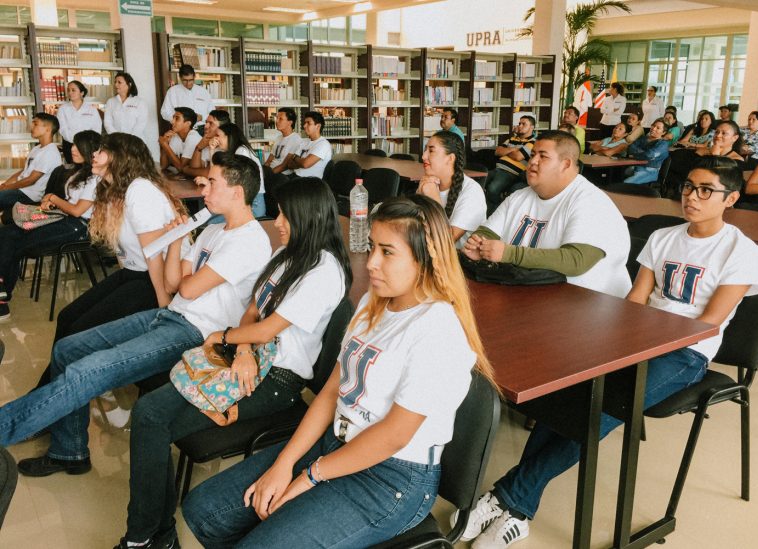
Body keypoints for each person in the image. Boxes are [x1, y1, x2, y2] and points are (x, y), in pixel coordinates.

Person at [461, 156, 758, 548]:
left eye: (706, 190)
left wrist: (640, 342)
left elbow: (707, 322)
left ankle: (508, 497)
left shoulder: (739, 250)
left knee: (599, 410)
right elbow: (635, 300)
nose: (692, 197)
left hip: (686, 354)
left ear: (731, 198)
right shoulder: (663, 237)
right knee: (565, 394)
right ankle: (518, 508)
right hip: (637, 340)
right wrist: (612, 345)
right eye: (689, 186)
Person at [182, 193, 494, 548]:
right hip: (335, 444)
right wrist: (285, 464)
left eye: (387, 252)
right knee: (203, 511)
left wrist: (307, 477)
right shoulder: (372, 303)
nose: (372, 262)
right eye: (372, 247)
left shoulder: (438, 329)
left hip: (391, 478)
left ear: (425, 259)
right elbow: (332, 391)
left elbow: (394, 436)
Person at [114, 177, 350, 549]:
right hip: (247, 359)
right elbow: (254, 309)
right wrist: (239, 350)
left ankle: (145, 537)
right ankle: (152, 535)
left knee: (151, 415)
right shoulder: (287, 253)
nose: (278, 222)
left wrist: (222, 339)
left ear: (307, 217)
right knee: (150, 413)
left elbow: (270, 327)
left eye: (286, 215)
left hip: (277, 380)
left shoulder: (324, 270)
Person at [0, 153, 272, 469]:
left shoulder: (250, 241)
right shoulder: (213, 231)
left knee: (86, 371)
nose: (204, 190)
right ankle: (69, 451)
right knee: (66, 349)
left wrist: (181, 253)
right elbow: (173, 282)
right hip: (170, 316)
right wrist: (177, 239)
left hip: (195, 332)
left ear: (237, 193)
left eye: (212, 183)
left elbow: (188, 288)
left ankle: (6, 427)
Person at [30, 133, 186, 390]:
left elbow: (155, 253)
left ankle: (47, 398)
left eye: (102, 150)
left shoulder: (140, 190)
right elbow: (125, 251)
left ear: (120, 158)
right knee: (67, 317)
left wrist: (163, 306)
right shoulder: (112, 190)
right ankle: (49, 393)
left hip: (154, 278)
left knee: (76, 332)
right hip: (135, 273)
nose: (94, 153)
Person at [463, 130, 631, 299]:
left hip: (591, 306)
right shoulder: (519, 196)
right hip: (531, 294)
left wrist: (508, 254)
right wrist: (478, 245)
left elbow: (576, 260)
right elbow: (487, 232)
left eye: (543, 156)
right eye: (533, 154)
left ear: (565, 164)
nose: (532, 161)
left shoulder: (592, 202)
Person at [0, 130, 100, 321]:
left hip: (78, 227)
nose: (72, 149)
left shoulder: (94, 177)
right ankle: (2, 291)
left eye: (78, 146)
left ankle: (2, 298)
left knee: (14, 241)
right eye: (72, 145)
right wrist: (50, 202)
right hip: (64, 218)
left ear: (90, 149)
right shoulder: (79, 172)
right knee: (8, 234)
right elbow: (70, 202)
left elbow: (78, 211)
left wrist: (53, 198)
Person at [417, 130, 485, 249]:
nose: (423, 156)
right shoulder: (429, 183)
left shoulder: (472, 192)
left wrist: (435, 201)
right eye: (425, 150)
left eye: (431, 151)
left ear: (450, 158)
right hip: (426, 251)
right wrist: (418, 195)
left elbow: (445, 242)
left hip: (458, 260)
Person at [0, 113, 61, 220]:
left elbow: (30, 180)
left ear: (48, 129)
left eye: (35, 124)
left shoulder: (50, 152)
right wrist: (5, 184)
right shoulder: (37, 148)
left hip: (30, 195)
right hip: (21, 190)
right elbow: (23, 172)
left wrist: (7, 188)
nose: (31, 127)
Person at [199, 122, 266, 218]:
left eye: (218, 135)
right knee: (207, 217)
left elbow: (234, 181)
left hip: (252, 205)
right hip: (238, 200)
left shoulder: (242, 151)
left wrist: (208, 182)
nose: (215, 139)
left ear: (229, 137)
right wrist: (212, 150)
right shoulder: (230, 151)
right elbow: (215, 174)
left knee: (210, 222)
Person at [489, 115, 536, 212]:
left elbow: (518, 156)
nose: (520, 126)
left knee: (493, 189)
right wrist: (514, 149)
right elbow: (497, 151)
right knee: (479, 184)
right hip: (497, 169)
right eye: (519, 123)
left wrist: (507, 151)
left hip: (510, 172)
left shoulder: (533, 142)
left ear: (532, 127)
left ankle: (498, 210)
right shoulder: (512, 139)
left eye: (524, 124)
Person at [56, 80, 102, 163]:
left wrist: (88, 142)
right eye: (68, 90)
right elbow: (63, 129)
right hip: (70, 145)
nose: (70, 93)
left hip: (88, 146)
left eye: (73, 90)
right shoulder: (63, 109)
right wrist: (76, 142)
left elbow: (97, 128)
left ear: (82, 93)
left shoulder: (91, 109)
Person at [284, 111, 333, 179]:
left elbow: (305, 164)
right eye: (305, 123)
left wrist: (295, 158)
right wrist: (301, 161)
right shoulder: (304, 142)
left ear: (318, 126)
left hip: (309, 182)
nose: (304, 126)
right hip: (295, 177)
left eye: (308, 123)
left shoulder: (323, 144)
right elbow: (289, 164)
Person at [185, 109, 232, 178]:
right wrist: (198, 148)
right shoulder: (207, 143)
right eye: (206, 122)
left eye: (211, 123)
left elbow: (210, 173)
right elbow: (195, 168)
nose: (205, 126)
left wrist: (186, 170)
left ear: (222, 128)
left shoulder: (226, 146)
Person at [104, 71, 148, 142]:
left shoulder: (139, 102)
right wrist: (117, 138)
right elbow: (107, 123)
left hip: (135, 142)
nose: (116, 84)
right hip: (117, 142)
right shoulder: (111, 102)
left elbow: (141, 123)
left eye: (119, 82)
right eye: (115, 82)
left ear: (129, 84)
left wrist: (130, 139)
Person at [624, 118, 670, 185]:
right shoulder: (643, 138)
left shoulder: (663, 144)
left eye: (658, 128)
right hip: (635, 167)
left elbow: (649, 155)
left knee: (625, 184)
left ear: (663, 132)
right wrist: (644, 153)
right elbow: (630, 148)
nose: (653, 129)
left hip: (650, 171)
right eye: (653, 125)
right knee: (617, 176)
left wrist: (635, 154)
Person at [159, 106, 203, 174]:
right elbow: (163, 166)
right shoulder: (175, 136)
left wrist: (165, 145)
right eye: (173, 118)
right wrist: (165, 143)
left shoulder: (193, 137)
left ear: (188, 123)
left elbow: (181, 168)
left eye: (177, 118)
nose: (172, 121)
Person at [264, 107, 302, 175]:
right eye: (277, 118)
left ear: (290, 122)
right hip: (271, 173)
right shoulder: (278, 138)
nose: (277, 121)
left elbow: (285, 166)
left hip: (282, 176)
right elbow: (269, 161)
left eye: (280, 119)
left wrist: (268, 175)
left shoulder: (296, 139)